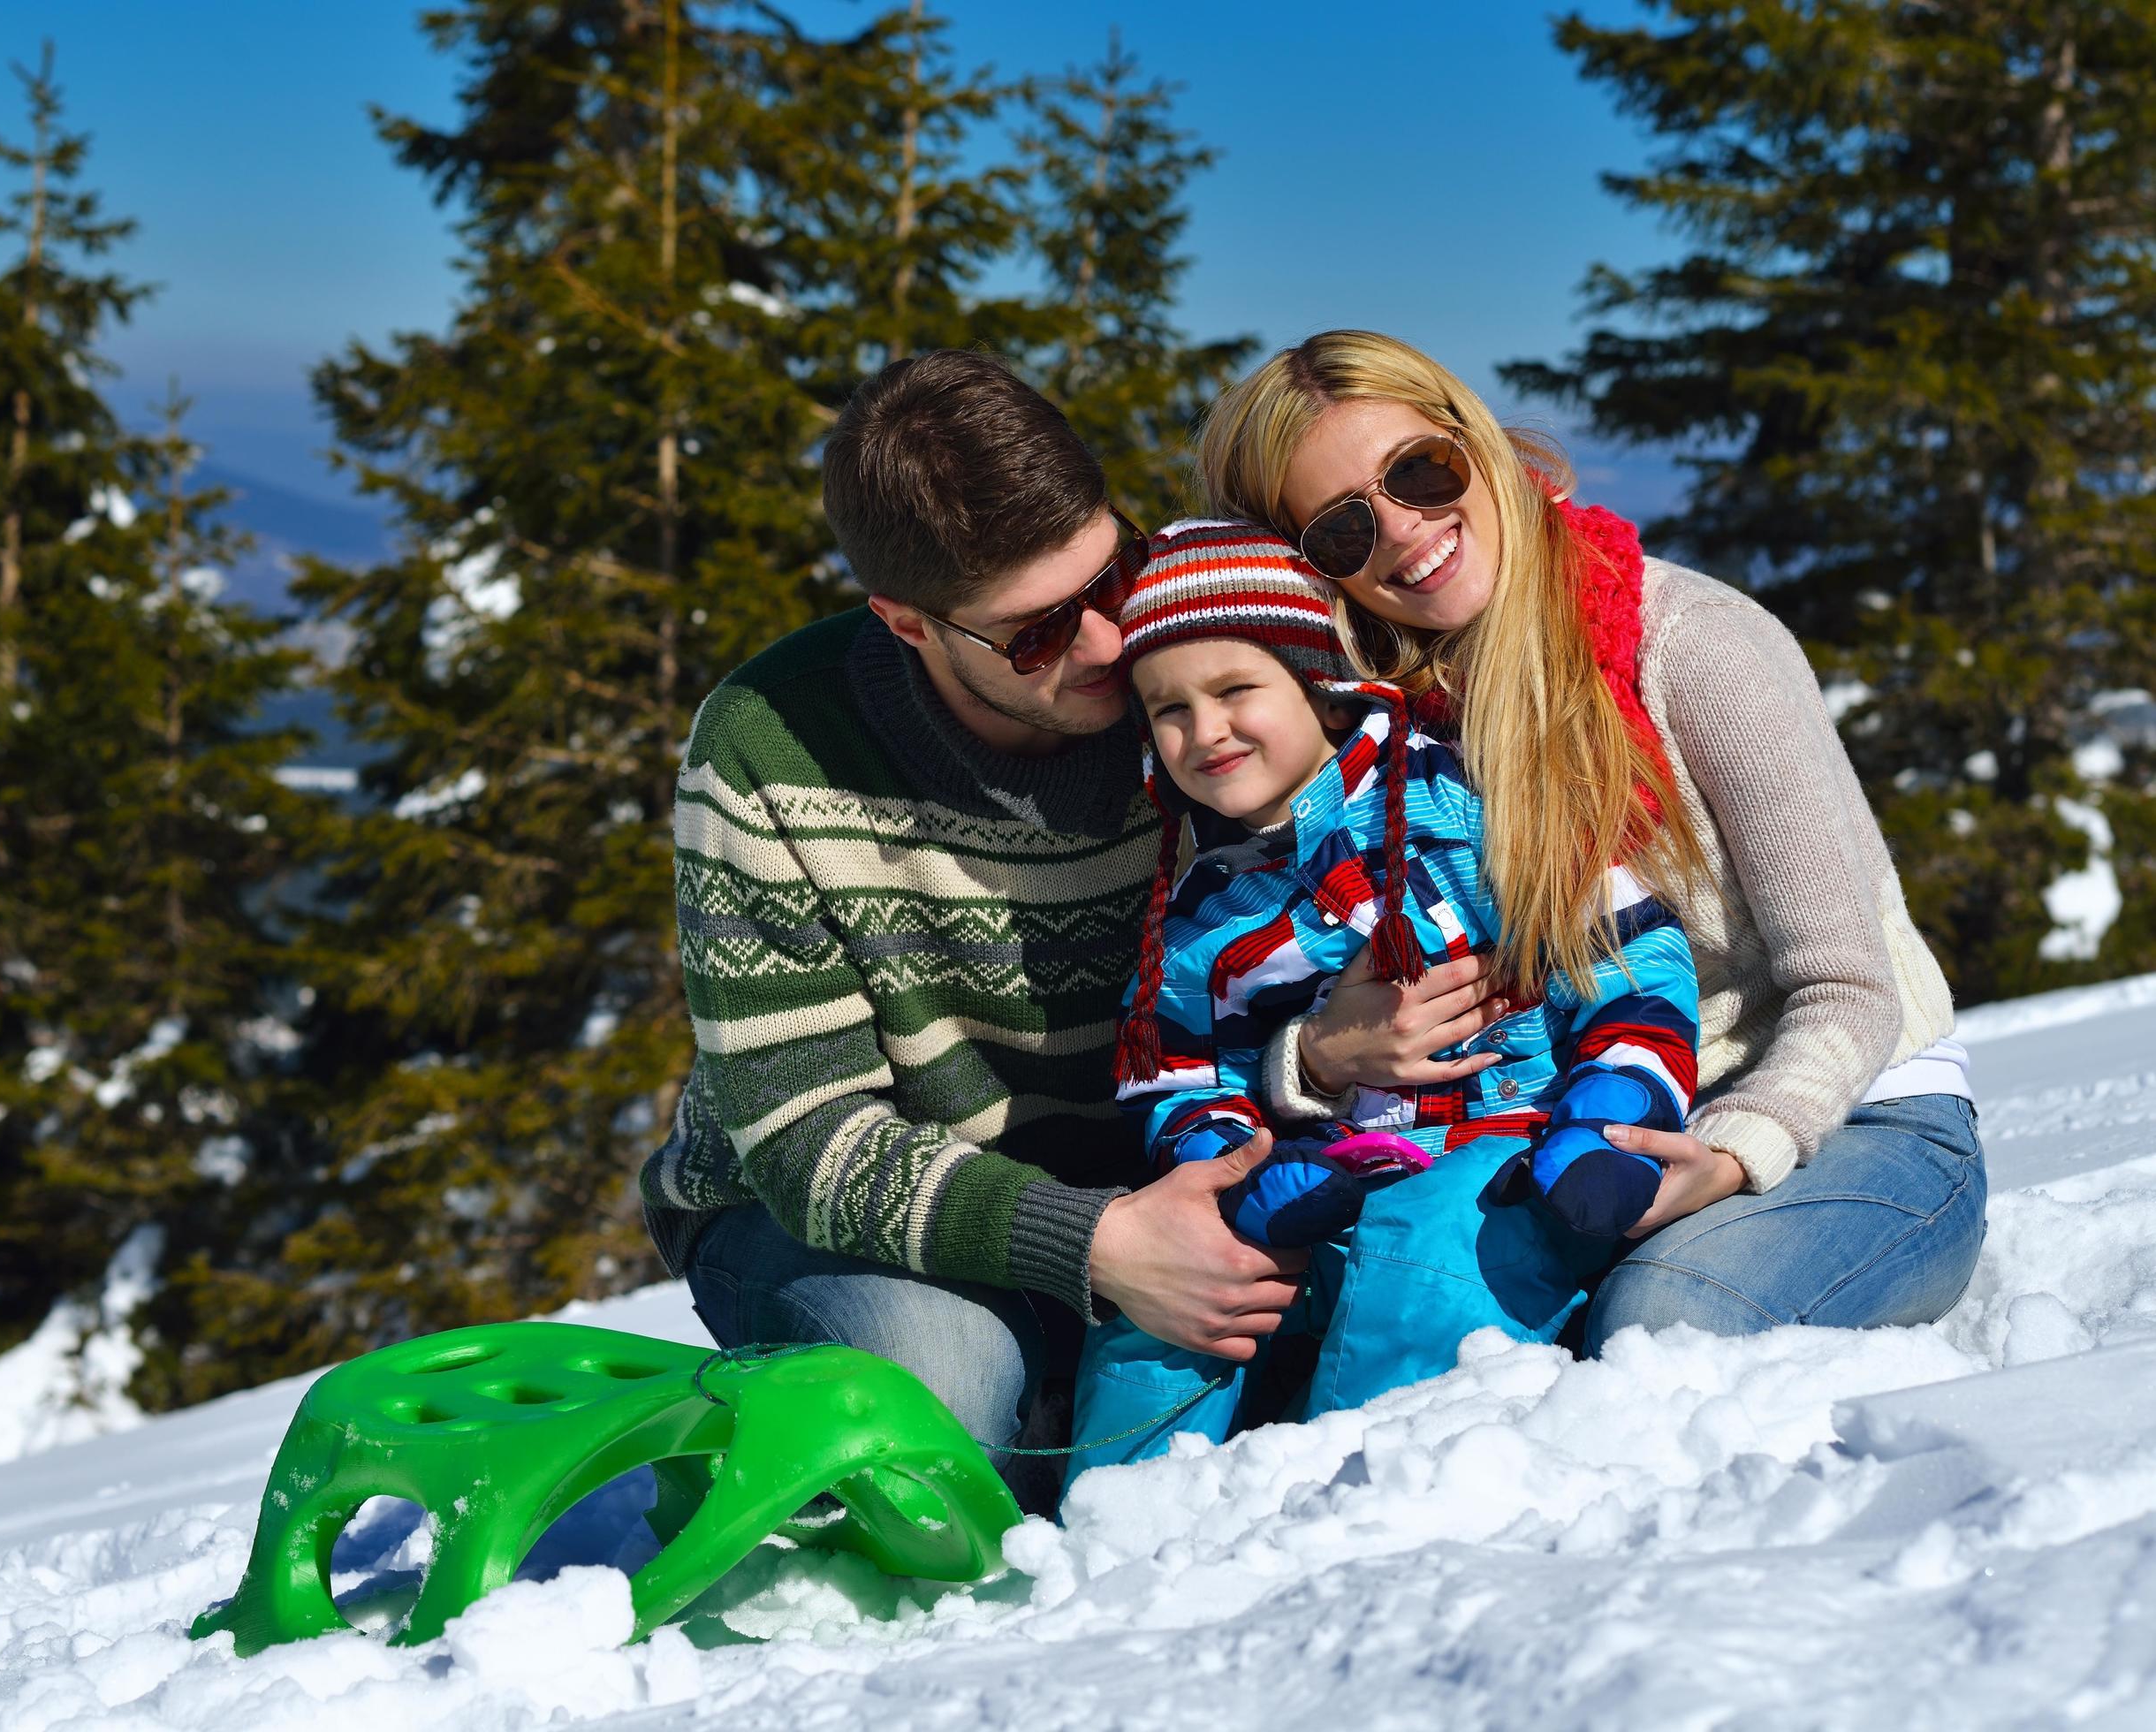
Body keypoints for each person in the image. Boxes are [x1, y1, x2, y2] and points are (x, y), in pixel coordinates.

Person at [1196, 331, 1985, 1351]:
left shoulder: (1692, 648)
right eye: (1342, 531)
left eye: (1418, 472)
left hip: (1849, 1121)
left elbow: (1848, 988)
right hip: (1560, 1137)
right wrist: (1314, 1056)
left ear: (1471, 439)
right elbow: (1233, 989)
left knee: (1658, 1326)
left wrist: (1737, 1148)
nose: (1402, 532)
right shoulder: (1360, 741)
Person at [637, 350, 1308, 1500]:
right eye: (1038, 635)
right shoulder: (768, 743)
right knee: (940, 1387)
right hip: (833, 1216)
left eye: (1114, 578)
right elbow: (803, 1139)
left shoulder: (1198, 672)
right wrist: (1094, 1247)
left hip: (1163, 1173)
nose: (1106, 645)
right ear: (908, 624)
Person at [1065, 521, 1701, 1476]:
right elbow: (1177, 1073)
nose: (1204, 733)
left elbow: (1632, 965)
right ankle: (1115, 1522)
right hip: (1311, 1198)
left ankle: (1356, 1494)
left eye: (1235, 690)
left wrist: (1602, 1120)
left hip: (1507, 1169)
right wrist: (1237, 1172)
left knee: (1425, 1241)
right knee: (1167, 1300)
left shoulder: (1466, 811)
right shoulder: (1203, 914)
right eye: (1167, 710)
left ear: (1316, 681)